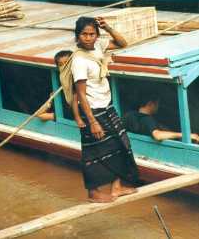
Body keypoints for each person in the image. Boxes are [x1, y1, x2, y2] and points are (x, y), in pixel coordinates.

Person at [71, 16, 139, 203]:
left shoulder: (99, 47)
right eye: (84, 34)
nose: (88, 38)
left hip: (106, 106)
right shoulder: (78, 61)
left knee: (120, 144)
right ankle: (93, 193)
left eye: (92, 34)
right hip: (93, 110)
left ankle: (116, 188)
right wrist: (92, 121)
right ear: (77, 36)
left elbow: (122, 43)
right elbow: (81, 94)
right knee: (93, 151)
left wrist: (107, 27)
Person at [124, 94, 199, 143]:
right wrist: (186, 135)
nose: (158, 106)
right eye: (157, 104)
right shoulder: (147, 119)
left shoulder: (129, 115)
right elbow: (157, 135)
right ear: (150, 104)